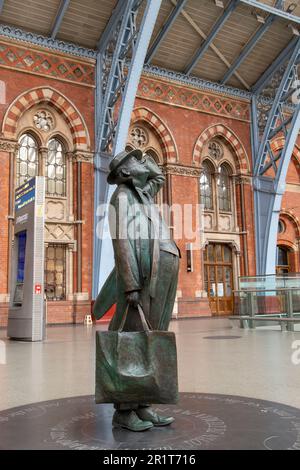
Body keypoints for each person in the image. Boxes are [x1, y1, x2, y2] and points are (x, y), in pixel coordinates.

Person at [94, 148, 180, 432]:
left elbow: (159, 177)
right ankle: (124, 410)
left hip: (161, 273)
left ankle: (143, 404)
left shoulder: (142, 193)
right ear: (126, 172)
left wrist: (146, 163)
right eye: (135, 160)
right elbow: (122, 244)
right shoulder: (120, 198)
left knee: (151, 340)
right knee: (133, 341)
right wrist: (130, 284)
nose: (141, 161)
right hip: (142, 279)